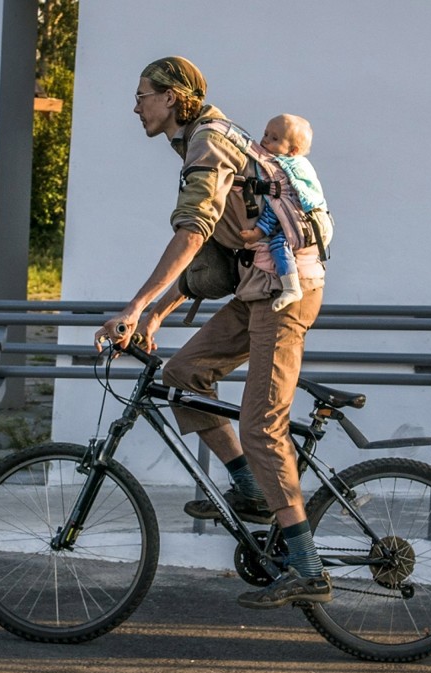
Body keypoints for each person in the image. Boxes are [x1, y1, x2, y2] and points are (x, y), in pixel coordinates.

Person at [93, 56, 331, 609]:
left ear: (173, 98)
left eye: (143, 95)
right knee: (182, 375)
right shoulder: (205, 141)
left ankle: (306, 564)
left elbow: (194, 229)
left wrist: (134, 305)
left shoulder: (208, 142)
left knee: (261, 426)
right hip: (256, 290)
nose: (135, 107)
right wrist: (157, 315)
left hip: (285, 294)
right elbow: (220, 253)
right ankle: (250, 487)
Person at [239, 114, 327, 312]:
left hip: (298, 223)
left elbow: (276, 208)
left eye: (275, 138)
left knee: (279, 243)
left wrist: (258, 233)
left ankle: (291, 287)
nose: (266, 140)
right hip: (302, 223)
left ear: (292, 151)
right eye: (266, 134)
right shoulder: (289, 166)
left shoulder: (285, 172)